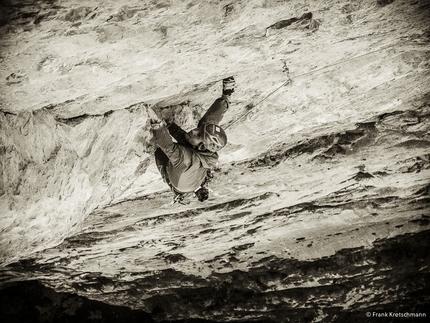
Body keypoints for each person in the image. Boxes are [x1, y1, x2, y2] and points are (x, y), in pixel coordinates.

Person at [148, 76, 235, 204]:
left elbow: (167, 145)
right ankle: (226, 97)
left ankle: (170, 128)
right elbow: (207, 126)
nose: (194, 130)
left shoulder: (183, 159)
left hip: (178, 180)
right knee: (204, 128)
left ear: (200, 147)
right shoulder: (207, 151)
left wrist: (156, 122)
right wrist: (226, 98)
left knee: (159, 151)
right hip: (195, 176)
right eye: (198, 132)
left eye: (198, 134)